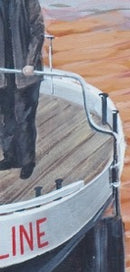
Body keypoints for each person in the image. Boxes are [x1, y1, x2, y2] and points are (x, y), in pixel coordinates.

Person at [0, 0, 45, 180]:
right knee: (6, 117)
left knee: (24, 118)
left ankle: (27, 161)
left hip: (25, 72)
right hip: (3, 72)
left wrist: (30, 62)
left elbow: (37, 29)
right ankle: (10, 157)